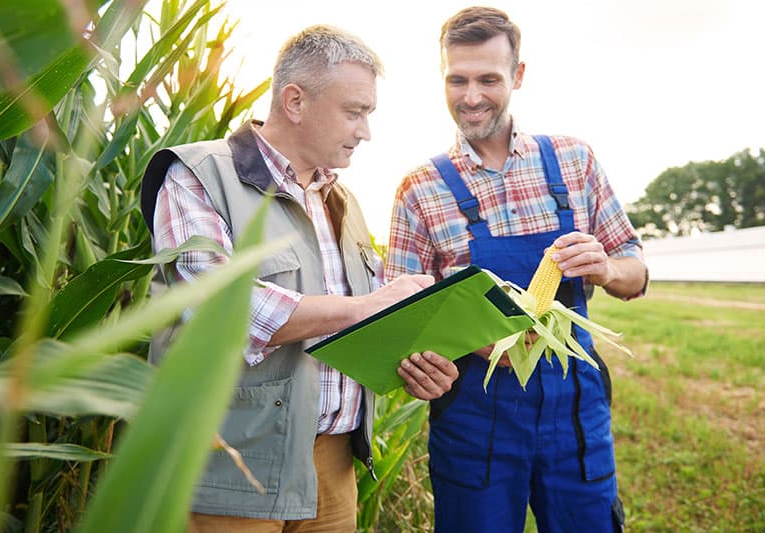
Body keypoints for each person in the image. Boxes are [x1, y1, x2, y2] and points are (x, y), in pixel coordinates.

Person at [139, 25, 459, 532]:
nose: (365, 131)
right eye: (354, 112)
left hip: (333, 469)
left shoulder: (344, 202)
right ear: (294, 101)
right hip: (231, 465)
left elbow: (366, 325)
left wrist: (415, 366)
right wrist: (365, 307)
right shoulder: (197, 176)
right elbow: (218, 309)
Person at [386, 6, 648, 533]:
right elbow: (401, 317)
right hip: (473, 416)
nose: (471, 96)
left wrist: (604, 269)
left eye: (488, 79)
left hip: (574, 408)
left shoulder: (574, 161)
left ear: (518, 75)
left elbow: (635, 274)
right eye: (457, 80)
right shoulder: (419, 190)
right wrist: (458, 346)